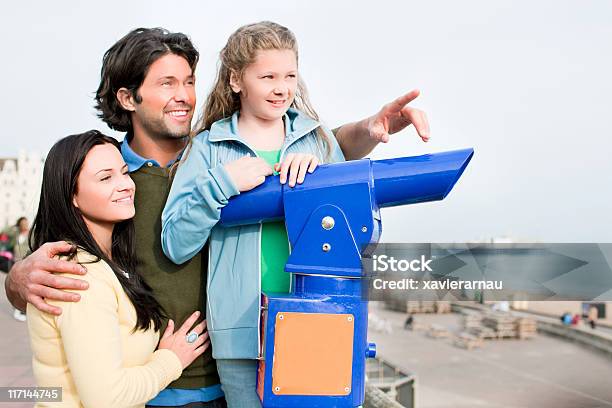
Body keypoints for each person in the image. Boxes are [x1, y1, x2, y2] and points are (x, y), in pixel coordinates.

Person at [4, 26, 429, 407]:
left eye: (188, 81)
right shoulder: (110, 179)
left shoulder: (212, 149)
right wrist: (16, 279)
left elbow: (316, 148)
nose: (185, 95)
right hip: (151, 384)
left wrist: (364, 132)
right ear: (127, 98)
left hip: (235, 367)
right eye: (167, 83)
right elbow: (69, 248)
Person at [161, 21, 425, 406]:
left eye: (289, 75)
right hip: (242, 340)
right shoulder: (208, 150)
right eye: (267, 76)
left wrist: (318, 175)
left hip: (319, 326)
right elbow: (175, 243)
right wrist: (220, 184)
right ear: (236, 79)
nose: (282, 87)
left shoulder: (318, 141)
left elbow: (352, 228)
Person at [27, 130, 209, 407]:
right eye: (105, 178)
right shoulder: (79, 277)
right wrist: (171, 360)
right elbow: (107, 399)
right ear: (71, 195)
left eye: (124, 173)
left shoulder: (108, 264)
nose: (126, 185)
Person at [10, 217, 30, 321]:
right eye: (22, 223)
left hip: (26, 263)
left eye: (26, 223)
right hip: (15, 262)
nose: (25, 225)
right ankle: (17, 309)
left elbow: (33, 247)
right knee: (15, 286)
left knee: (24, 286)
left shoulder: (31, 234)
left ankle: (22, 309)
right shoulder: (17, 234)